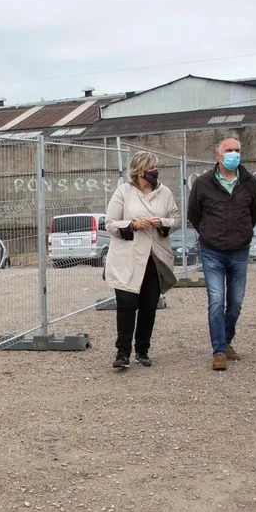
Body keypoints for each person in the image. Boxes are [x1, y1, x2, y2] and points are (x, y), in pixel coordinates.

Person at [188, 134, 256, 371]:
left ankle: (227, 341)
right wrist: (209, 233)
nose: (234, 154)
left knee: (236, 302)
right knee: (216, 301)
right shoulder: (203, 183)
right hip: (212, 251)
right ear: (218, 155)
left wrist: (242, 232)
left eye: (237, 150)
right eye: (229, 150)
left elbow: (255, 212)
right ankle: (219, 351)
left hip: (239, 251)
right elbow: (194, 214)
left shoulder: (249, 182)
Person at [104, 151, 181, 369]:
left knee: (149, 306)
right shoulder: (123, 191)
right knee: (126, 304)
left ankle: (142, 350)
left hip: (154, 258)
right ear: (139, 171)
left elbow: (176, 220)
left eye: (156, 167)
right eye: (152, 167)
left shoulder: (165, 192)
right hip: (127, 258)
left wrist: (161, 222)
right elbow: (110, 223)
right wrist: (133, 225)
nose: (156, 171)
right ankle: (122, 353)